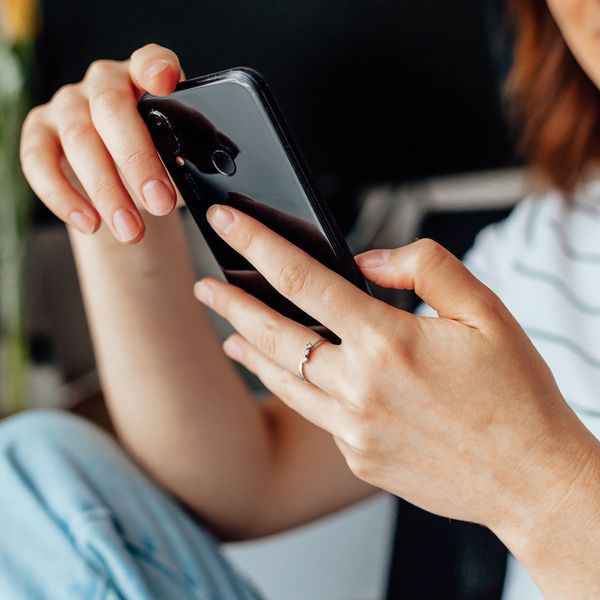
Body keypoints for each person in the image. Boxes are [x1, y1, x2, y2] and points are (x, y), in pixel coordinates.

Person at [5, 0, 600, 597]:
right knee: (25, 472)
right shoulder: (543, 245)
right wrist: (117, 205)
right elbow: (250, 481)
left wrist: (539, 485)